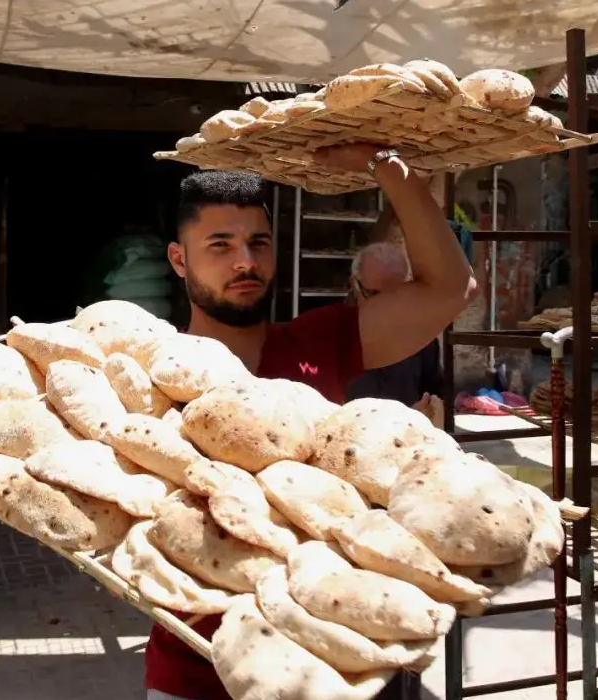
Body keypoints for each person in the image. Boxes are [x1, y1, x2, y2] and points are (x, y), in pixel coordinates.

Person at [149, 143, 477, 700]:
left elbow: (449, 289)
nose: (244, 263)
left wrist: (388, 172)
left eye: (258, 243)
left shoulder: (317, 342)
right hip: (197, 668)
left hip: (329, 665)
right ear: (180, 260)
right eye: (220, 246)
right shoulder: (146, 372)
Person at [344, 241, 444, 418]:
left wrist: (421, 413)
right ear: (355, 285)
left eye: (394, 295)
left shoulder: (422, 340)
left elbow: (436, 399)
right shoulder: (327, 336)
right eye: (375, 294)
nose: (385, 306)